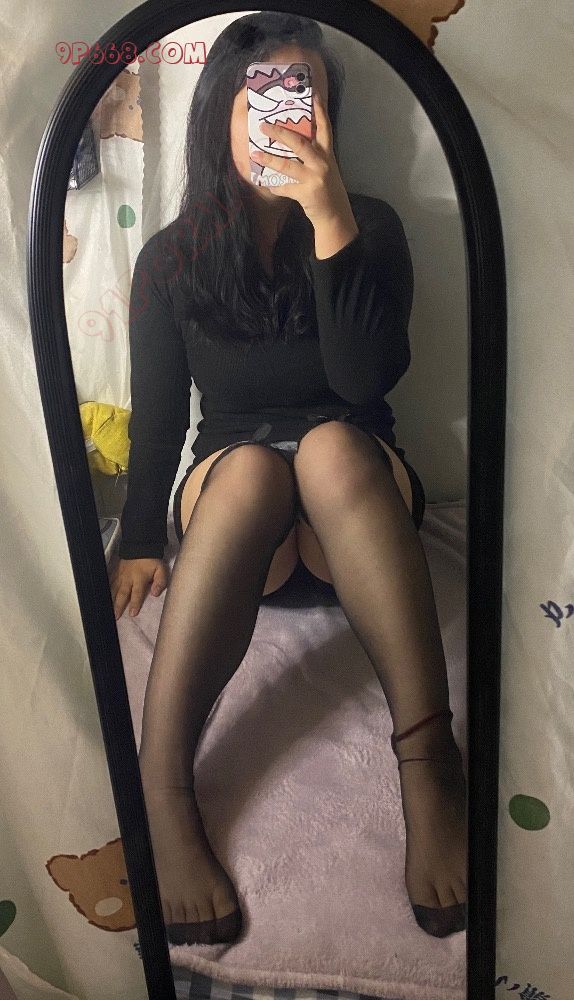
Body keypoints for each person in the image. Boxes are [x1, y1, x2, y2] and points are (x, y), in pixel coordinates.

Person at [110, 12, 467, 947]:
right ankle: (162, 789)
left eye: (305, 96)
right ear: (220, 114)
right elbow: (159, 418)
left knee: (330, 446)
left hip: (357, 511)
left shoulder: (372, 225)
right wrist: (139, 538)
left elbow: (364, 382)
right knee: (251, 473)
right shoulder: (172, 259)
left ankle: (429, 763)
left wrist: (331, 219)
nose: (285, 115)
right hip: (244, 529)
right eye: (261, 95)